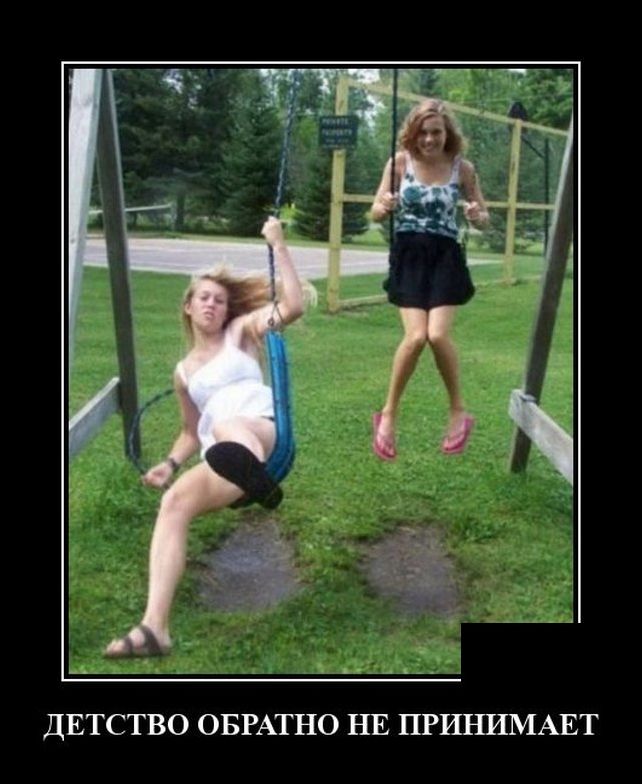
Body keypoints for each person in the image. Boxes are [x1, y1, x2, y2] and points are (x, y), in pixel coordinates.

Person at [105, 217, 305, 658]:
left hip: (260, 431)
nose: (213, 305)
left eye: (219, 299)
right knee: (173, 503)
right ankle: (154, 628)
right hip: (220, 456)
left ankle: (254, 473)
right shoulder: (183, 373)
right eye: (204, 298)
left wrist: (278, 244)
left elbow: (292, 306)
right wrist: (170, 464)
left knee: (228, 427)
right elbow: (189, 431)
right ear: (188, 307)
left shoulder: (241, 332)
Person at [370, 98, 489, 460]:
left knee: (437, 335)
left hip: (445, 257)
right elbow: (375, 212)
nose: (429, 139)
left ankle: (458, 412)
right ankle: (388, 414)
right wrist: (383, 206)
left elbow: (484, 217)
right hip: (409, 255)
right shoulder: (399, 163)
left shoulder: (462, 168)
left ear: (446, 133)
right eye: (422, 132)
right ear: (413, 132)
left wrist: (476, 215)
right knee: (416, 337)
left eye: (436, 132)